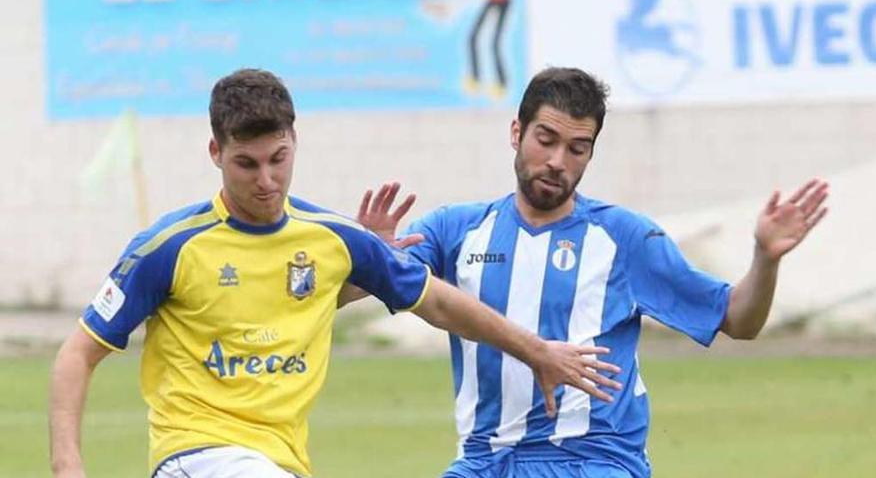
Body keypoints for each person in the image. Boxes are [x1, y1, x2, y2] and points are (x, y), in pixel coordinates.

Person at [48, 69, 624, 478]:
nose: (267, 180)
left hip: (283, 460)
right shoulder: (169, 247)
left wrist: (536, 351)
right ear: (215, 153)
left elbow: (442, 305)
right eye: (246, 164)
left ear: (294, 141)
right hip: (195, 454)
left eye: (279, 159)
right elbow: (78, 353)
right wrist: (68, 465)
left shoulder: (333, 239)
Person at [353, 67, 829, 477]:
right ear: (516, 133)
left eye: (578, 148)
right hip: (486, 460)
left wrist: (765, 259)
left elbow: (738, 320)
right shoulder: (456, 230)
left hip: (594, 459)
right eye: (546, 140)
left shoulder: (625, 238)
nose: (558, 161)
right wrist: (371, 258)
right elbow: (354, 293)